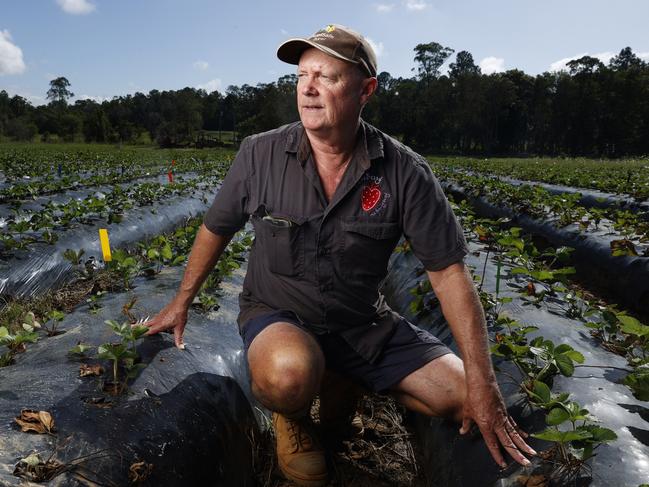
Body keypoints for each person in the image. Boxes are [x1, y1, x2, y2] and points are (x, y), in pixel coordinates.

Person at [144, 24, 536, 486]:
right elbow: (216, 228)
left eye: (326, 77)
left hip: (362, 324)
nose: (308, 88)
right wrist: (181, 301)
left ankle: (340, 383)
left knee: (465, 398)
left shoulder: (404, 172)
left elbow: (449, 276)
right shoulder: (259, 154)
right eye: (302, 75)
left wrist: (484, 381)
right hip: (279, 314)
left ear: (365, 90)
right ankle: (293, 417)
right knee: (289, 374)